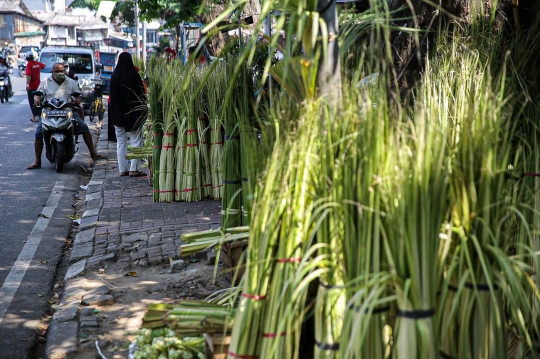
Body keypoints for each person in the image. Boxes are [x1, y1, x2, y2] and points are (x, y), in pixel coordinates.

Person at [27, 62, 106, 170]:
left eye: (62, 71)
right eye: (57, 71)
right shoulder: (45, 82)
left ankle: (93, 153)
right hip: (49, 112)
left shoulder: (71, 82)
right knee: (38, 133)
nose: (60, 73)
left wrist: (77, 101)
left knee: (83, 127)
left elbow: (78, 96)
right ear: (52, 72)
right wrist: (37, 99)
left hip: (67, 111)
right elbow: (38, 94)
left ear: (65, 71)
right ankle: (37, 161)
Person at [108, 52, 147, 177]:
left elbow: (111, 97)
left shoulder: (114, 76)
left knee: (121, 142)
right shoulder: (134, 76)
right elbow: (141, 95)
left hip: (118, 115)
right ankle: (134, 169)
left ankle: (122, 169)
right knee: (136, 140)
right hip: (134, 115)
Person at [25, 51, 45, 122]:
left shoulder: (29, 65)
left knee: (32, 102)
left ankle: (35, 116)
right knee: (39, 100)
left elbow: (28, 75)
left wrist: (27, 84)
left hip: (31, 87)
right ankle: (38, 115)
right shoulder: (37, 64)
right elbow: (44, 65)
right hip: (38, 86)